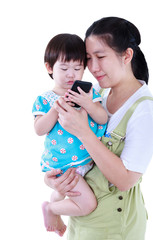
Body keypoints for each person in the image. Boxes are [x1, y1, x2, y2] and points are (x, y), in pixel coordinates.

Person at [44, 17, 153, 239]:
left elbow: (125, 181)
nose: (93, 67)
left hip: (114, 228)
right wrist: (54, 179)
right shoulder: (99, 92)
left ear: (126, 55)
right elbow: (69, 148)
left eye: (100, 56)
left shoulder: (146, 111)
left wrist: (84, 132)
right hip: (81, 222)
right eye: (88, 58)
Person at [32, 34, 108, 236]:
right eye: (64, 69)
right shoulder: (45, 99)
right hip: (64, 166)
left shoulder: (88, 92)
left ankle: (53, 212)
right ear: (50, 68)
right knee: (87, 204)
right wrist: (55, 110)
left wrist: (89, 104)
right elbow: (39, 129)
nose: (71, 75)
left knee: (59, 195)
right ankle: (50, 209)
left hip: (87, 162)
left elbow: (102, 118)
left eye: (77, 68)